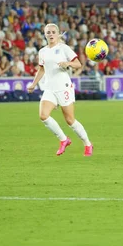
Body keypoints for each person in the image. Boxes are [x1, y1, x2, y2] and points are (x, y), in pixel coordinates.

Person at [27, 23, 93, 157]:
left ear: (57, 34)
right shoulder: (42, 51)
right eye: (48, 32)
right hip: (50, 88)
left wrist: (67, 63)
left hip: (63, 87)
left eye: (53, 32)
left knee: (70, 120)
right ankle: (64, 139)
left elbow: (78, 64)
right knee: (43, 115)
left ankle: (87, 143)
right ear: (45, 34)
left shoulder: (64, 48)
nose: (50, 34)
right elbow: (42, 69)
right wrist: (34, 84)